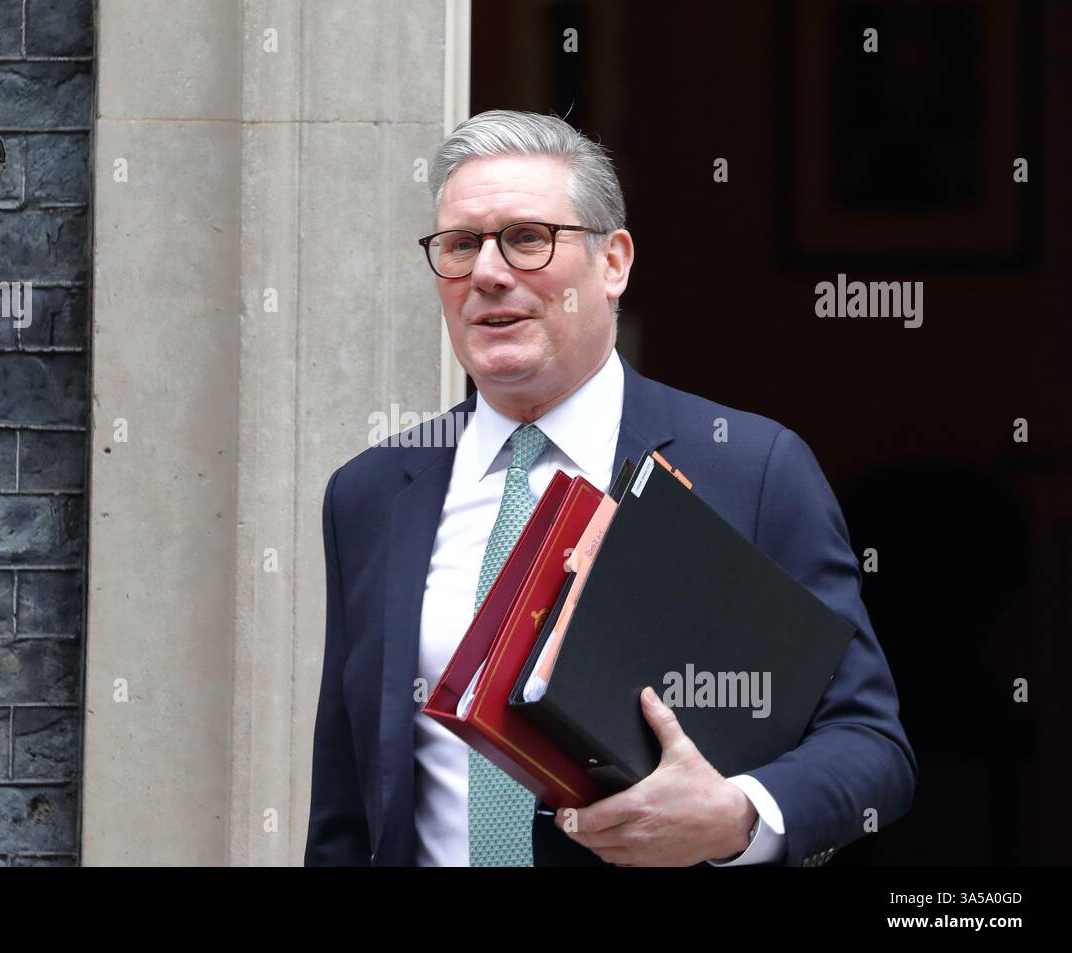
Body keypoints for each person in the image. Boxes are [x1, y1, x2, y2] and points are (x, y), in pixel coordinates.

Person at [305, 109, 915, 867]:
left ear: (614, 262)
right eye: (460, 246)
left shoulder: (751, 469)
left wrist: (736, 817)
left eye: (527, 238)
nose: (488, 273)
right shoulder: (369, 496)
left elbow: (870, 747)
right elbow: (345, 801)